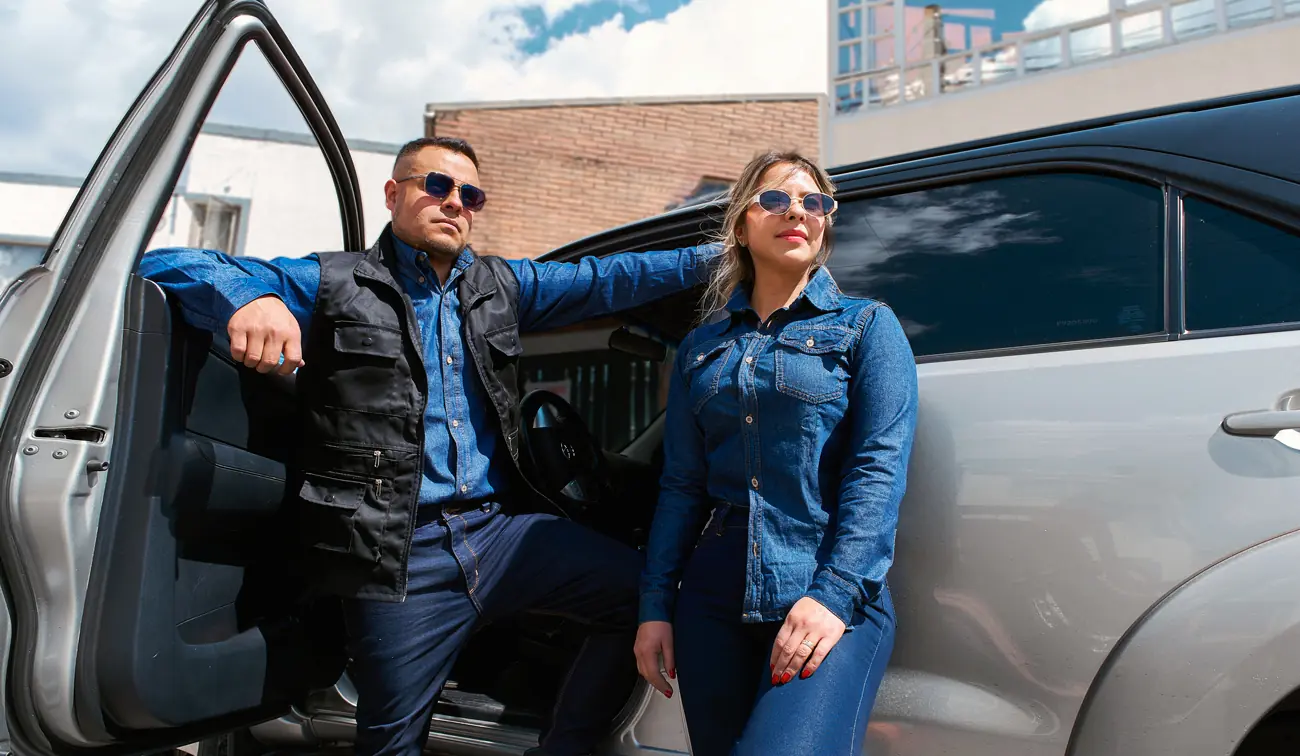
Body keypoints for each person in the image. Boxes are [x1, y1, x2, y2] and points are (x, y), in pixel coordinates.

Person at [139, 135, 715, 756]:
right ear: (393, 194)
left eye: (470, 194)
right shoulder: (335, 281)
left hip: (502, 536)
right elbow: (163, 263)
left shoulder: (502, 286)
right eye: (435, 186)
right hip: (399, 550)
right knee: (391, 741)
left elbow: (611, 277)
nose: (454, 203)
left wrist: (727, 254)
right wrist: (252, 297)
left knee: (643, 599)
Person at [632, 150, 918, 755]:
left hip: (825, 581)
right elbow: (681, 485)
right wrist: (656, 607)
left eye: (814, 202)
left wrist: (831, 597)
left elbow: (877, 469)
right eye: (775, 199)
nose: (798, 212)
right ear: (741, 223)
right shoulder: (700, 349)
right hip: (711, 596)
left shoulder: (867, 326)